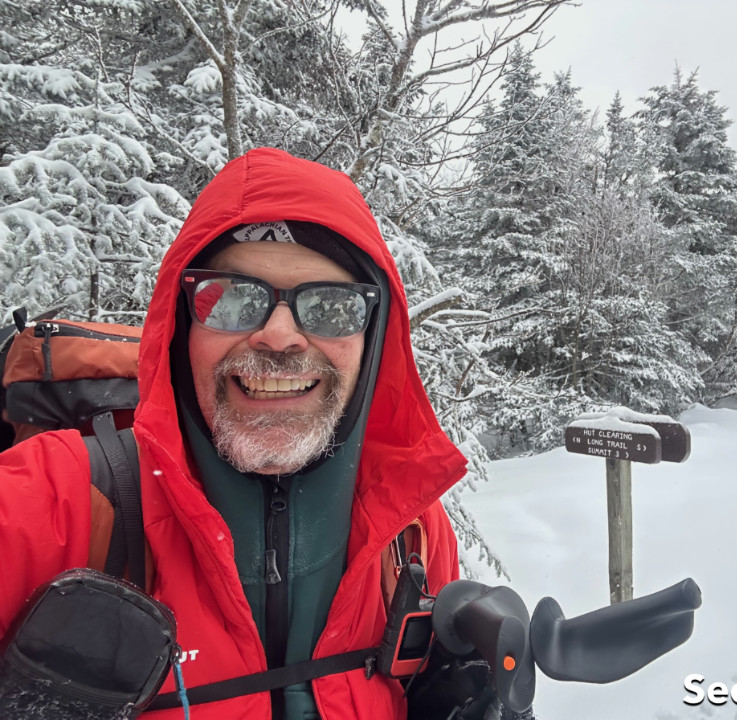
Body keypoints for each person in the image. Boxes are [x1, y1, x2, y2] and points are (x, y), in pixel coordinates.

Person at [0, 147, 475, 719]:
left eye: (330, 307)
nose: (280, 336)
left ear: (372, 341)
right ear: (180, 329)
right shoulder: (60, 499)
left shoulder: (411, 532)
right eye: (231, 300)